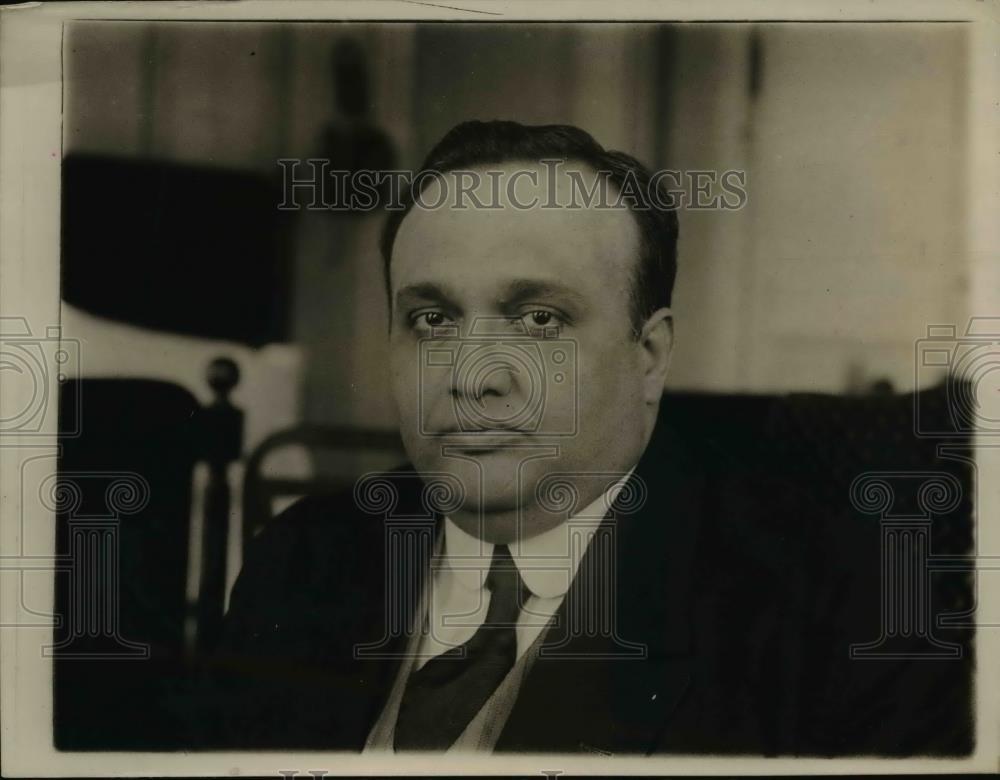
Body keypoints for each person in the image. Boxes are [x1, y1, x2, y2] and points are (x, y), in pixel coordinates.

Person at [202, 121, 971, 756]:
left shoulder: (845, 616)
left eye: (540, 320)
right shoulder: (300, 562)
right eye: (431, 320)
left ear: (651, 354)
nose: (473, 377)